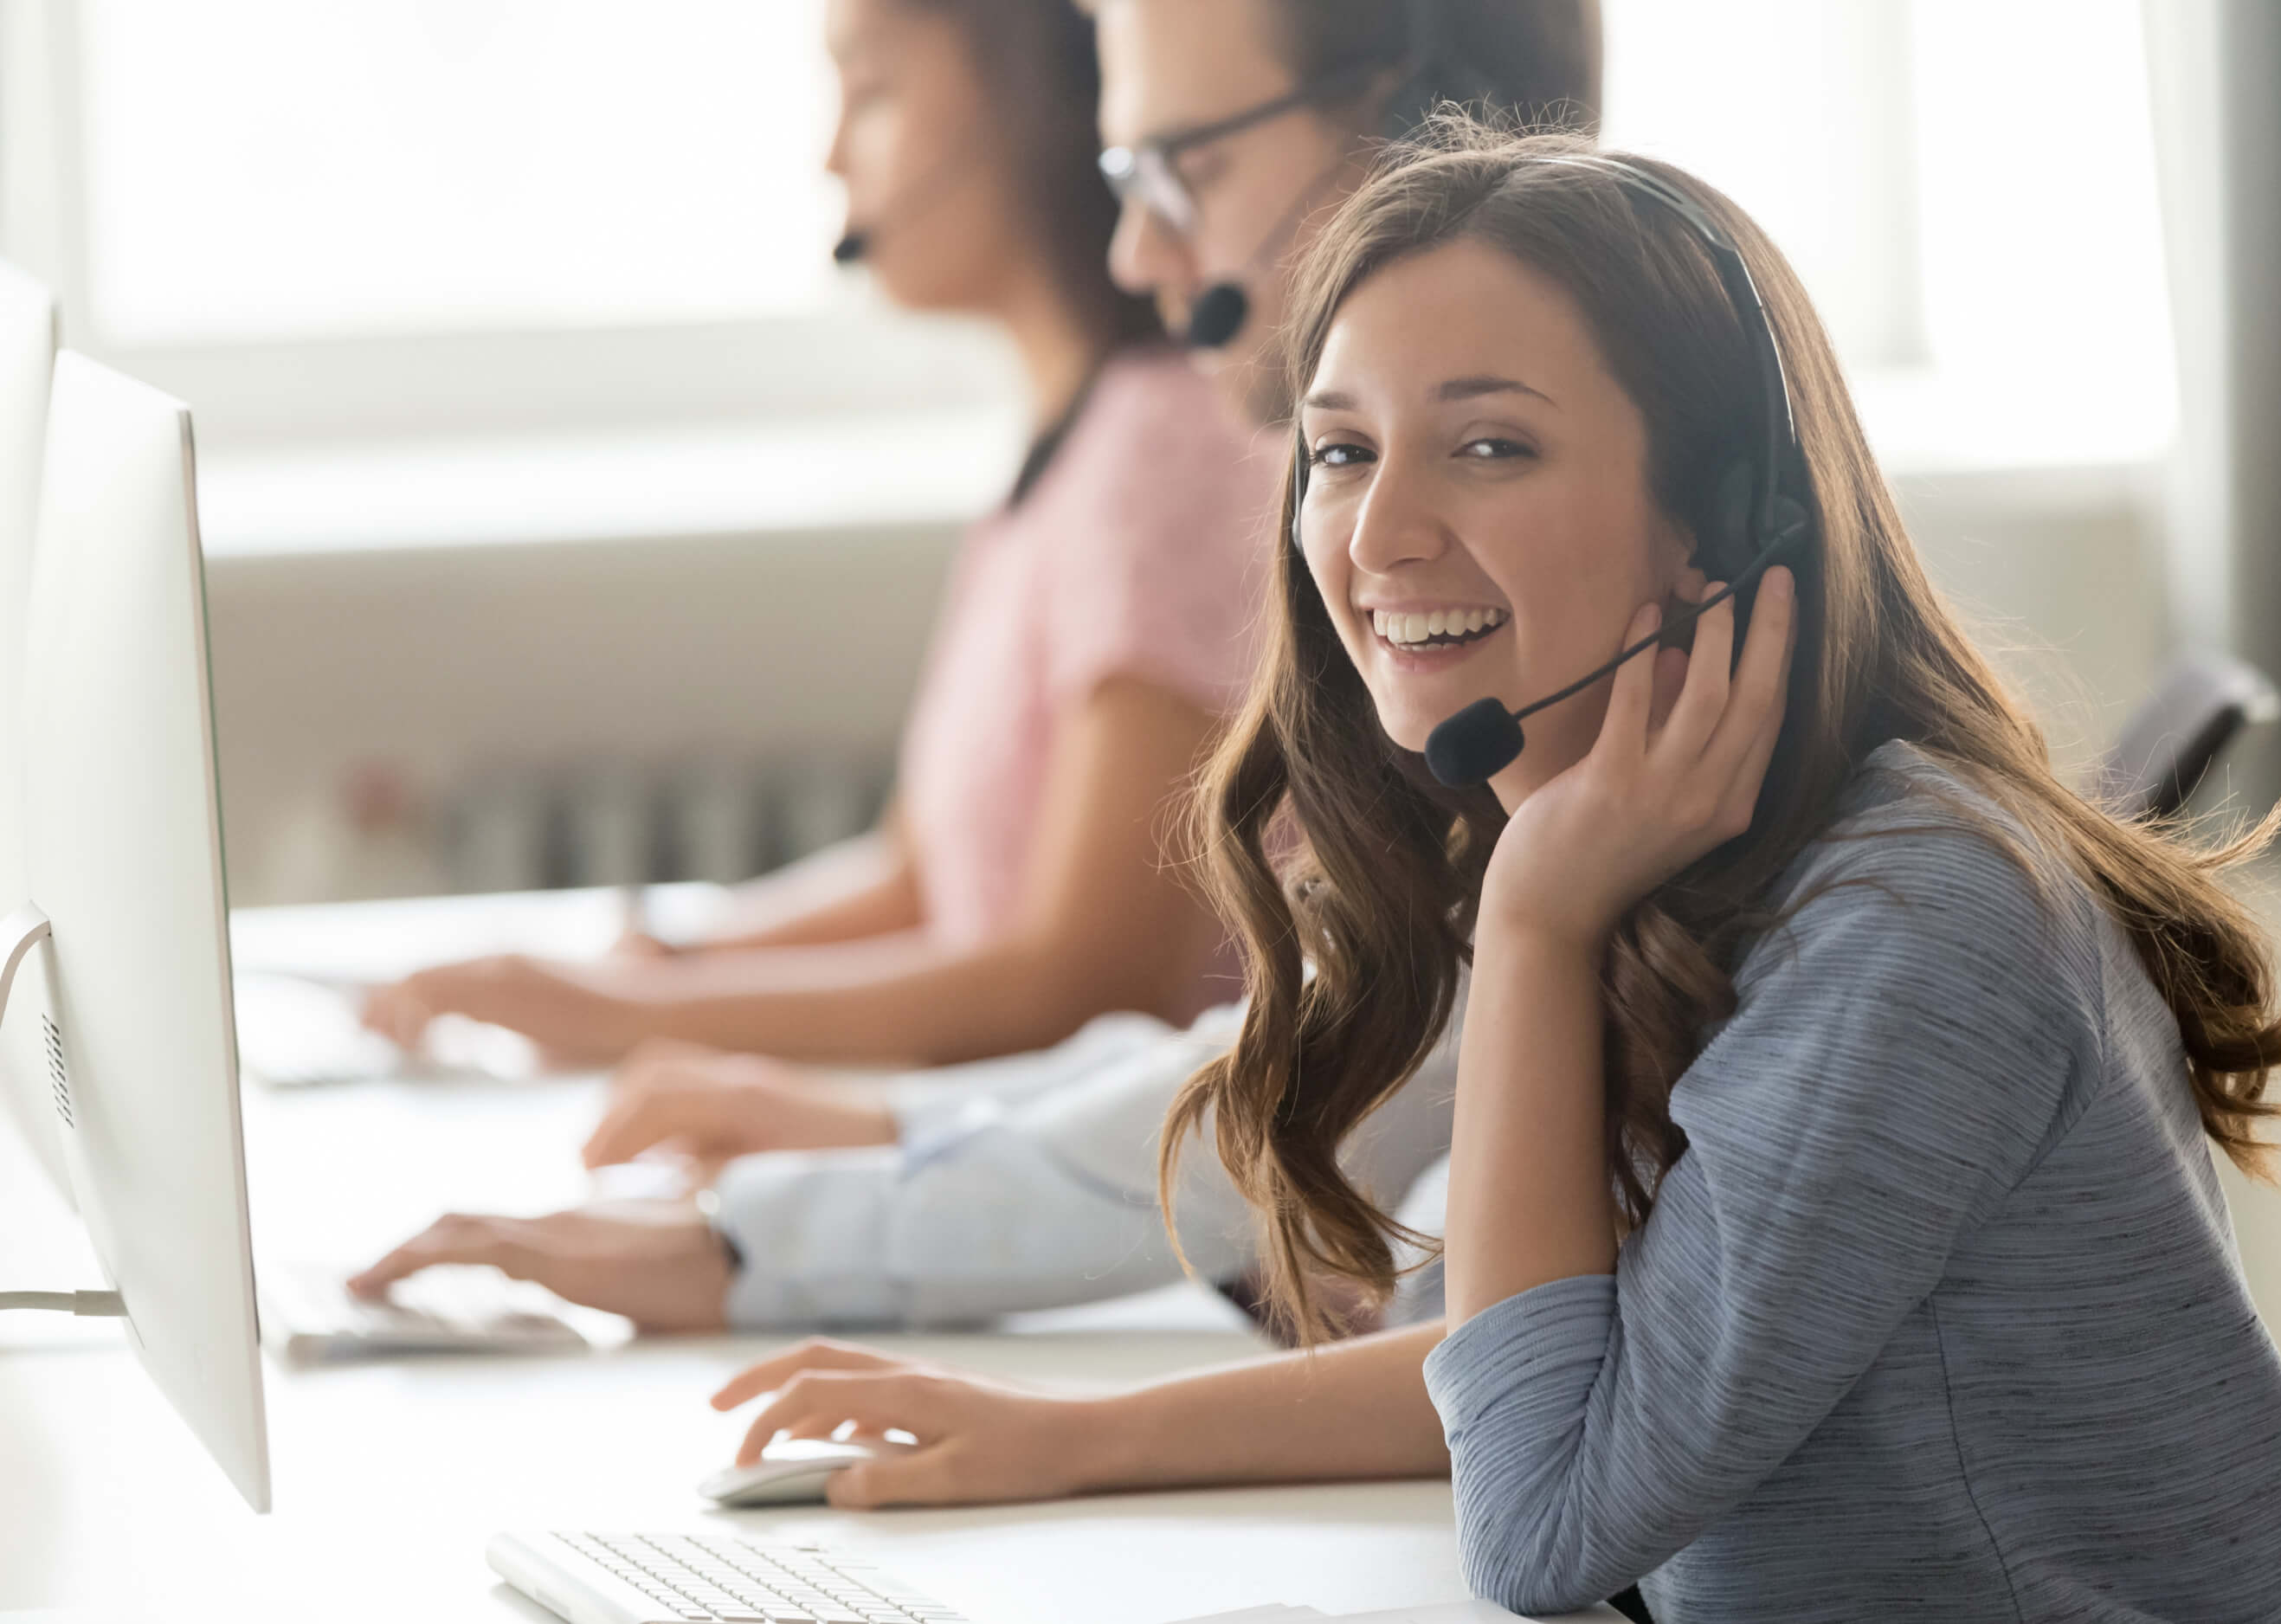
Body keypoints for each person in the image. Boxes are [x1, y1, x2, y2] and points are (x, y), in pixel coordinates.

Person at [706, 126, 2281, 1622]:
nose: (1377, 537)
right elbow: (1560, 1359)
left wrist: (1535, 924)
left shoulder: (1905, 926)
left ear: (1722, 520)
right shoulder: (1688, 852)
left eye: (1490, 447)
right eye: (1343, 449)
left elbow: (1547, 1511)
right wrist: (1063, 1439)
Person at [351, 0, 1603, 1332]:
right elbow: (1287, 1060)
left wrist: (763, 1190)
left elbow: (1111, 993)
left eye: (1194, 165)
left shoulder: (1232, 491)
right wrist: (799, 1100)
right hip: (1207, 1284)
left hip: (1242, 1320)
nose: (1137, 249)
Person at [356, 0, 1273, 1074]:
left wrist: (626, 1019)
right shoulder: (1068, 455)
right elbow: (921, 880)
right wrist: (658, 968)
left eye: (874, 91)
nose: (834, 154)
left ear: (1032, 105)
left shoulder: (1162, 450)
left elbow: (1079, 984)